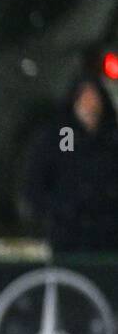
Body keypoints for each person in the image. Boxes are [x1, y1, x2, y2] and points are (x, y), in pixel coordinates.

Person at [21, 73, 118, 254]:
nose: (90, 105)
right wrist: (57, 211)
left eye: (94, 98)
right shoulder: (59, 138)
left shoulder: (111, 139)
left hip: (109, 238)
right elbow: (35, 184)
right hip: (69, 236)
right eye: (84, 98)